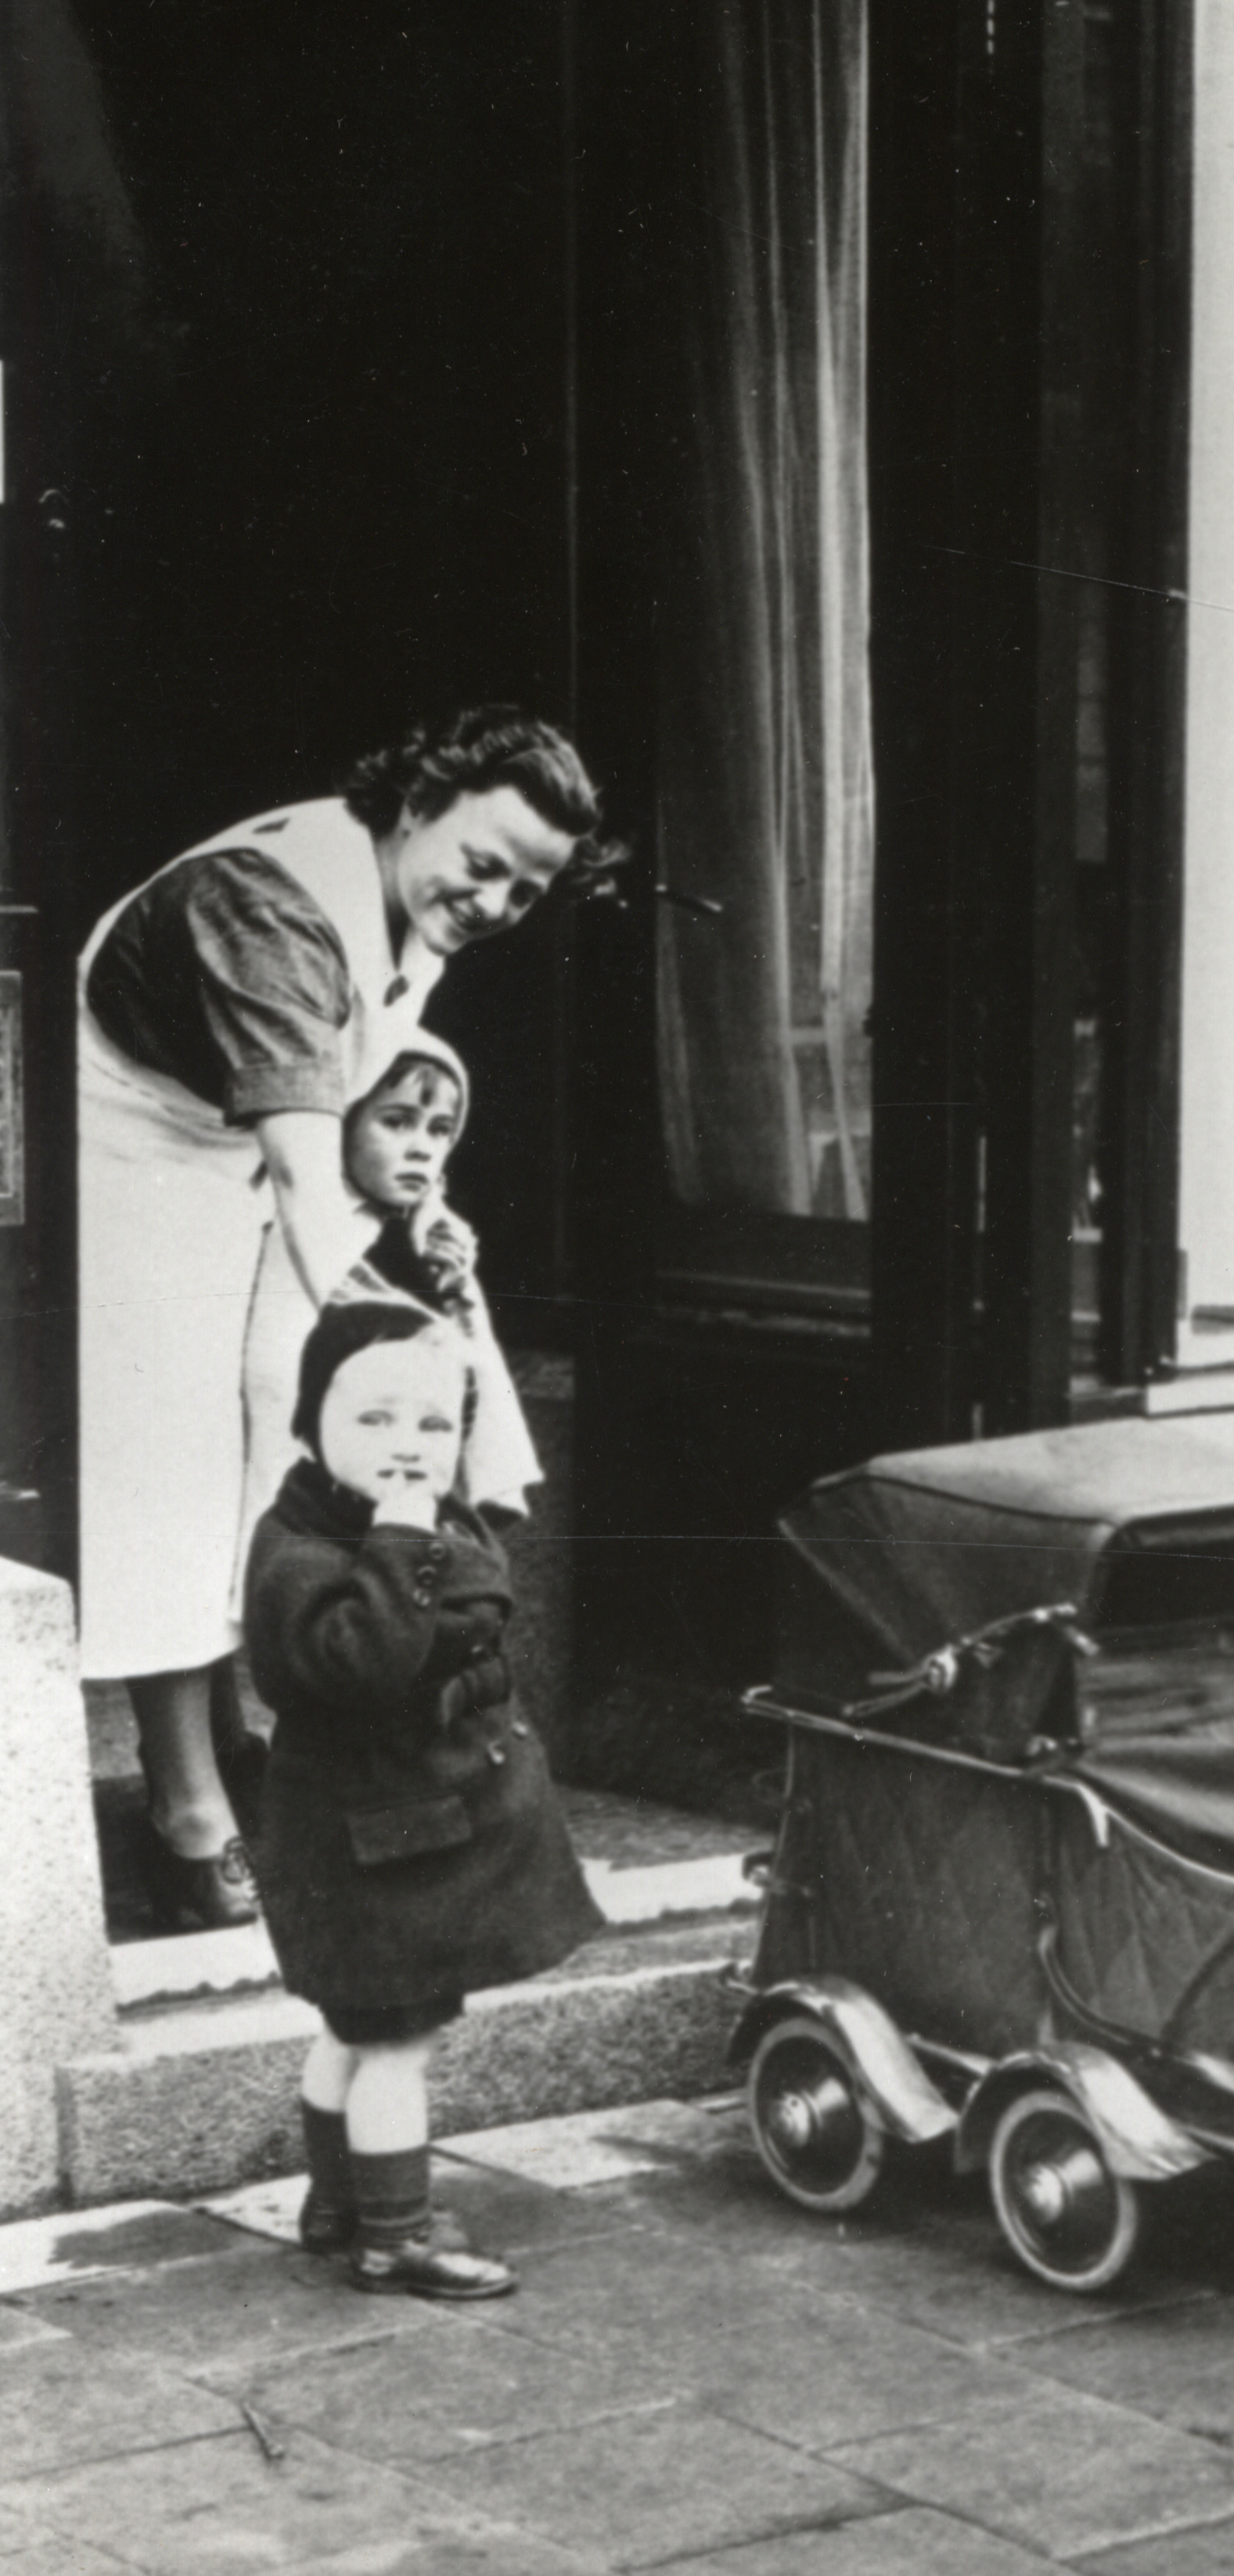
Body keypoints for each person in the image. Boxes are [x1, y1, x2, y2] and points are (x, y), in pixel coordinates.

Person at [77, 704, 620, 1929]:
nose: (492, 902)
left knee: (258, 1445)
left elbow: (350, 1110)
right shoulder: (270, 904)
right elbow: (312, 1191)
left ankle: (231, 1746)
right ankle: (188, 1812)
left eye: (526, 892)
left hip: (233, 1168)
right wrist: (414, 1353)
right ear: (415, 802)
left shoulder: (405, 898)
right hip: (107, 1167)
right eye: (482, 864)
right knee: (171, 1468)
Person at [243, 1299, 603, 2299]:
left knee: (355, 2027)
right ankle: (394, 2233)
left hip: (403, 1829)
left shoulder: (403, 1518)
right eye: (373, 1420)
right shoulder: (305, 1552)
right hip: (375, 1842)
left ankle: (338, 2201)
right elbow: (363, 1664)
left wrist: (419, 1529)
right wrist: (404, 1543)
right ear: (310, 1426)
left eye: (435, 1425)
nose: (408, 1447)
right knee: (395, 2042)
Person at [242, 1036, 542, 1536]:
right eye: (397, 1122)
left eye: (441, 1130)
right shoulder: (307, 1217)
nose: (422, 1147)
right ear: (340, 1123)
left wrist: (445, 1273)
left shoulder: (419, 1236)